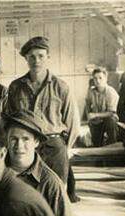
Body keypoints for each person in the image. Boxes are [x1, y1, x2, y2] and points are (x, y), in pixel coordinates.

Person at [5, 36, 79, 183]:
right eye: (31, 57)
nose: (36, 60)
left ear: (48, 57)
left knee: (56, 188)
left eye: (40, 56)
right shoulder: (16, 87)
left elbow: (73, 121)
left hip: (54, 146)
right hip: (27, 146)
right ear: (26, 59)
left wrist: (66, 148)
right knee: (27, 188)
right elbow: (9, 120)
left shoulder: (61, 86)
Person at [84, 66, 120, 146]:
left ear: (106, 79)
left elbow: (111, 113)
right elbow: (87, 105)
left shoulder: (111, 92)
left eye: (100, 78)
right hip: (97, 120)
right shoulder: (91, 91)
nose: (98, 81)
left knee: (111, 121)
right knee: (96, 143)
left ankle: (112, 144)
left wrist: (95, 115)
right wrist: (89, 116)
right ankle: (98, 144)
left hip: (109, 120)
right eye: (95, 79)